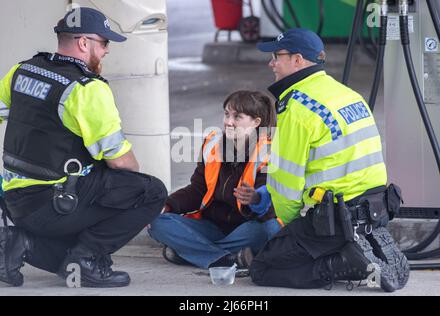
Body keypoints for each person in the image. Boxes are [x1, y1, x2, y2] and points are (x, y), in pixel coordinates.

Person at [0, 7, 167, 288]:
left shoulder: (23, 70)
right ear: (83, 43)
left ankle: (20, 243)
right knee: (150, 192)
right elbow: (121, 163)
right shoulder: (87, 89)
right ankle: (88, 259)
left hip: (17, 203)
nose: (106, 51)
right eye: (104, 43)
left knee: (69, 258)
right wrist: (129, 182)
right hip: (55, 204)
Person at [249, 28, 409, 292]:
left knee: (263, 268)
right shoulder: (347, 95)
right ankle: (358, 243)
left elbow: (285, 182)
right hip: (375, 208)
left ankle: (343, 262)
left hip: (330, 219)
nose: (271, 63)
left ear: (298, 60)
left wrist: (290, 228)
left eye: (277, 56)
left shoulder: (297, 107)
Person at [148, 90, 282, 269]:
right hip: (211, 227)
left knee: (267, 230)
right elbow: (197, 190)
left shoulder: (269, 151)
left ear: (256, 122)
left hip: (245, 229)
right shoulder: (213, 144)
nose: (228, 122)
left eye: (237, 117)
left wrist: (255, 199)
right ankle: (228, 259)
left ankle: (193, 253)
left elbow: (273, 207)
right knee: (157, 222)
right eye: (226, 114)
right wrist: (167, 205)